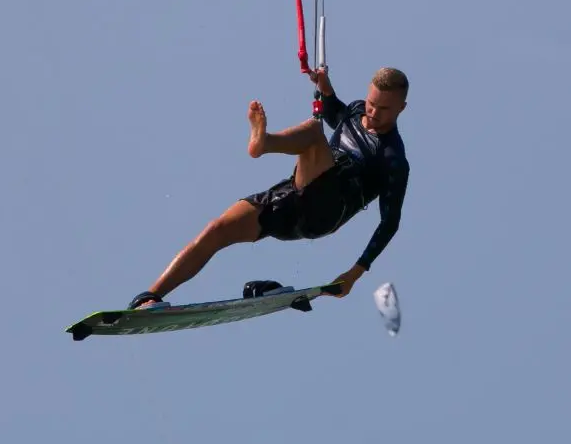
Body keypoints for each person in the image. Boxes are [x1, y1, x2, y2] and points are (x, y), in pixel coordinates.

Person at [127, 65, 410, 309]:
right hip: (292, 195)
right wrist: (325, 90)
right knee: (216, 230)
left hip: (327, 209)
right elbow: (335, 115)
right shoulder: (358, 110)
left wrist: (354, 273)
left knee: (313, 130)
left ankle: (265, 143)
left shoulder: (393, 159)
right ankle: (149, 299)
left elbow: (390, 223)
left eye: (383, 109)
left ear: (401, 108)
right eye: (372, 102)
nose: (373, 112)